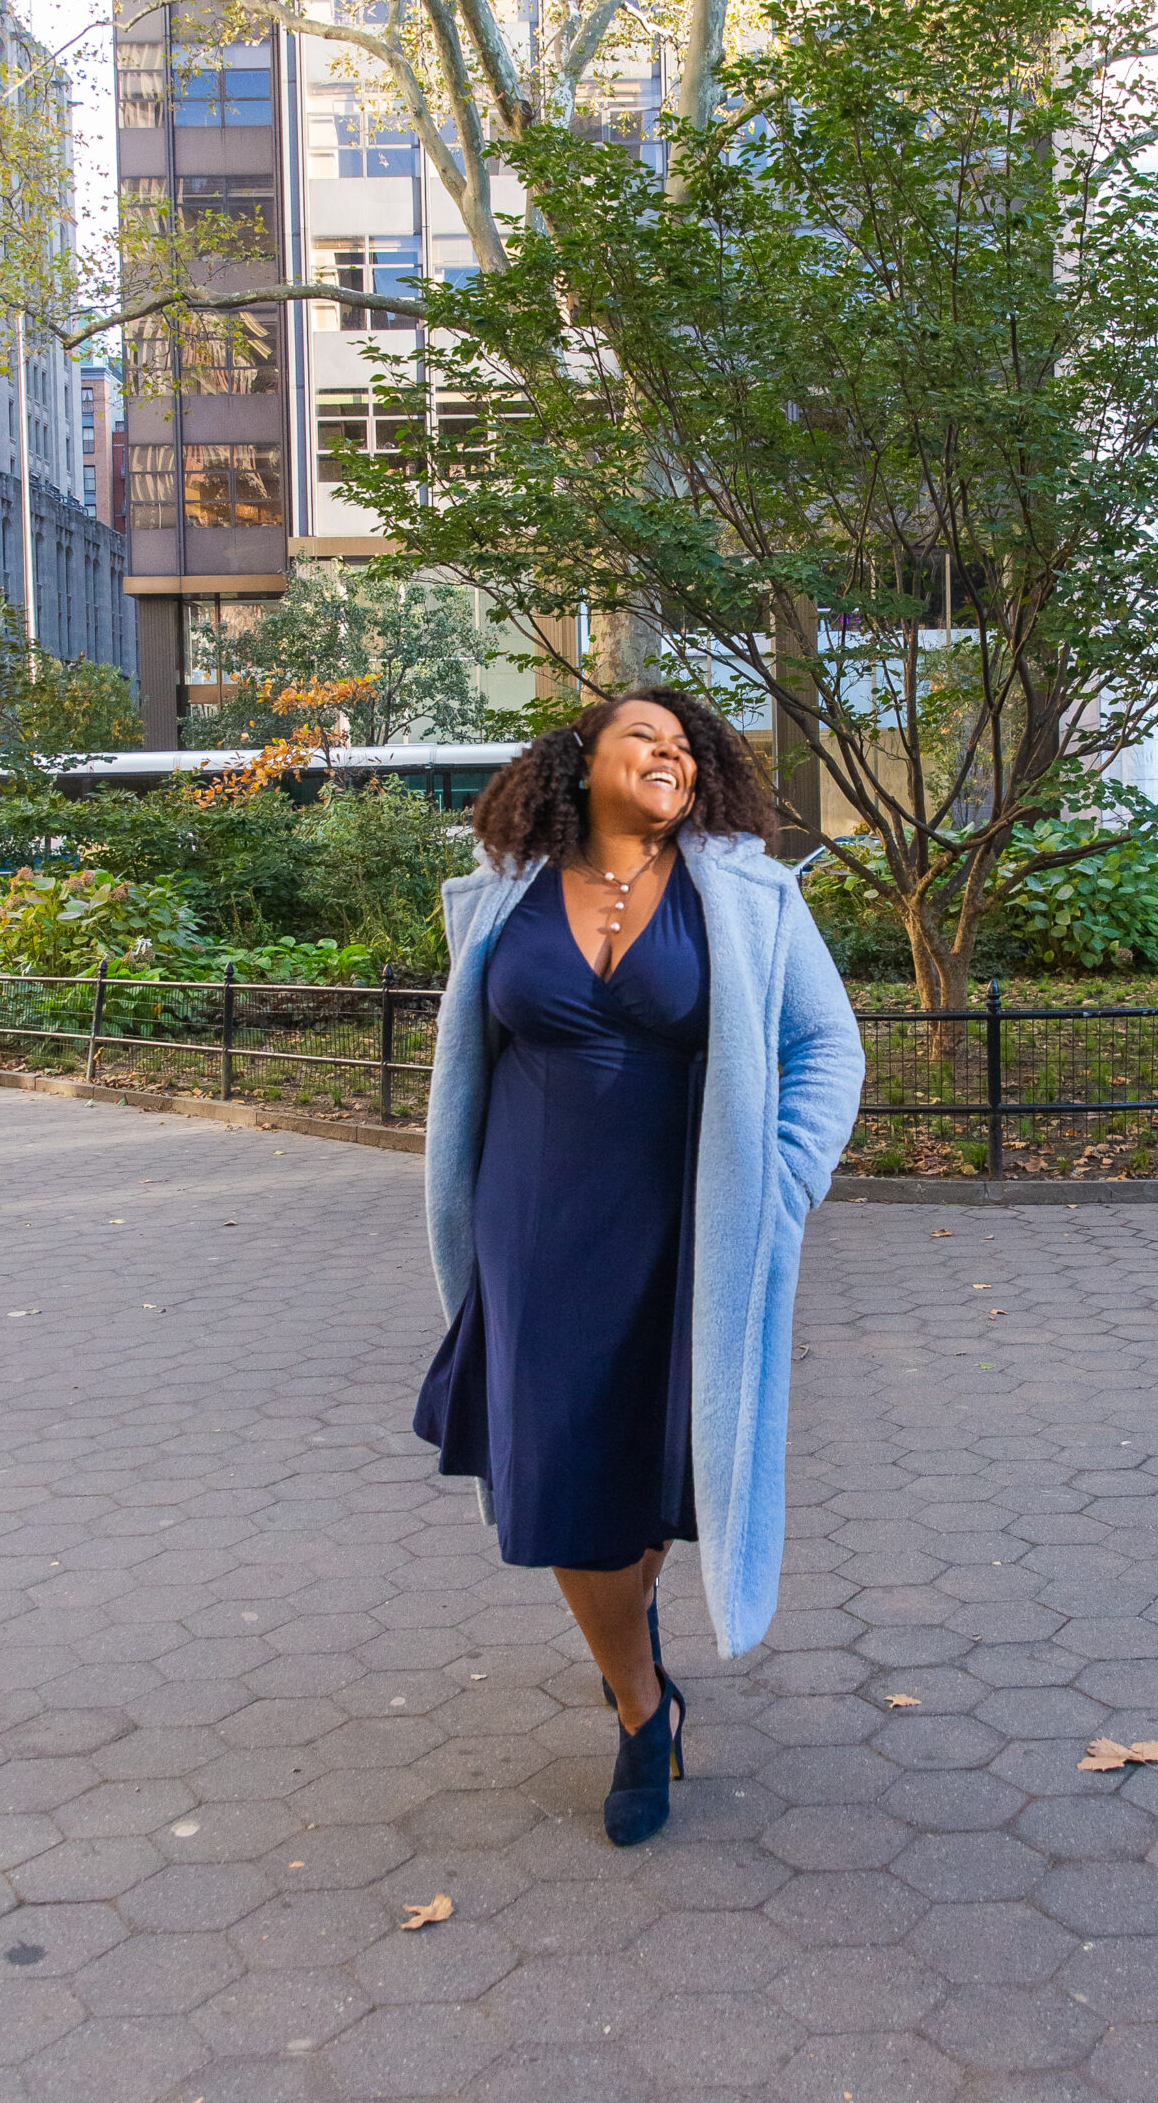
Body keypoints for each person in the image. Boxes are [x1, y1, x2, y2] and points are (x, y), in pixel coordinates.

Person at [416, 687, 863, 1845]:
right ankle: (641, 1700)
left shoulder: (747, 893)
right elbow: (474, 1056)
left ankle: (637, 1678)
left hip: (692, 1219)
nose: (668, 756)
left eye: (684, 747)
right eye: (642, 739)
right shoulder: (499, 894)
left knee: (662, 1458)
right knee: (559, 1476)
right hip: (534, 1227)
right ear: (584, 759)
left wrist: (786, 1182)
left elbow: (826, 1045)